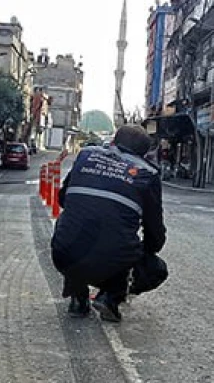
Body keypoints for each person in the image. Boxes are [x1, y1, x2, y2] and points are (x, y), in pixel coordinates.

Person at [51, 124, 166, 323]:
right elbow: (155, 236)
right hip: (112, 263)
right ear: (144, 154)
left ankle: (78, 298)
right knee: (154, 267)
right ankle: (111, 296)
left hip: (64, 255)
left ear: (112, 142)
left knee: (71, 226)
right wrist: (138, 253)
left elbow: (63, 199)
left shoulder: (86, 155)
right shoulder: (148, 174)